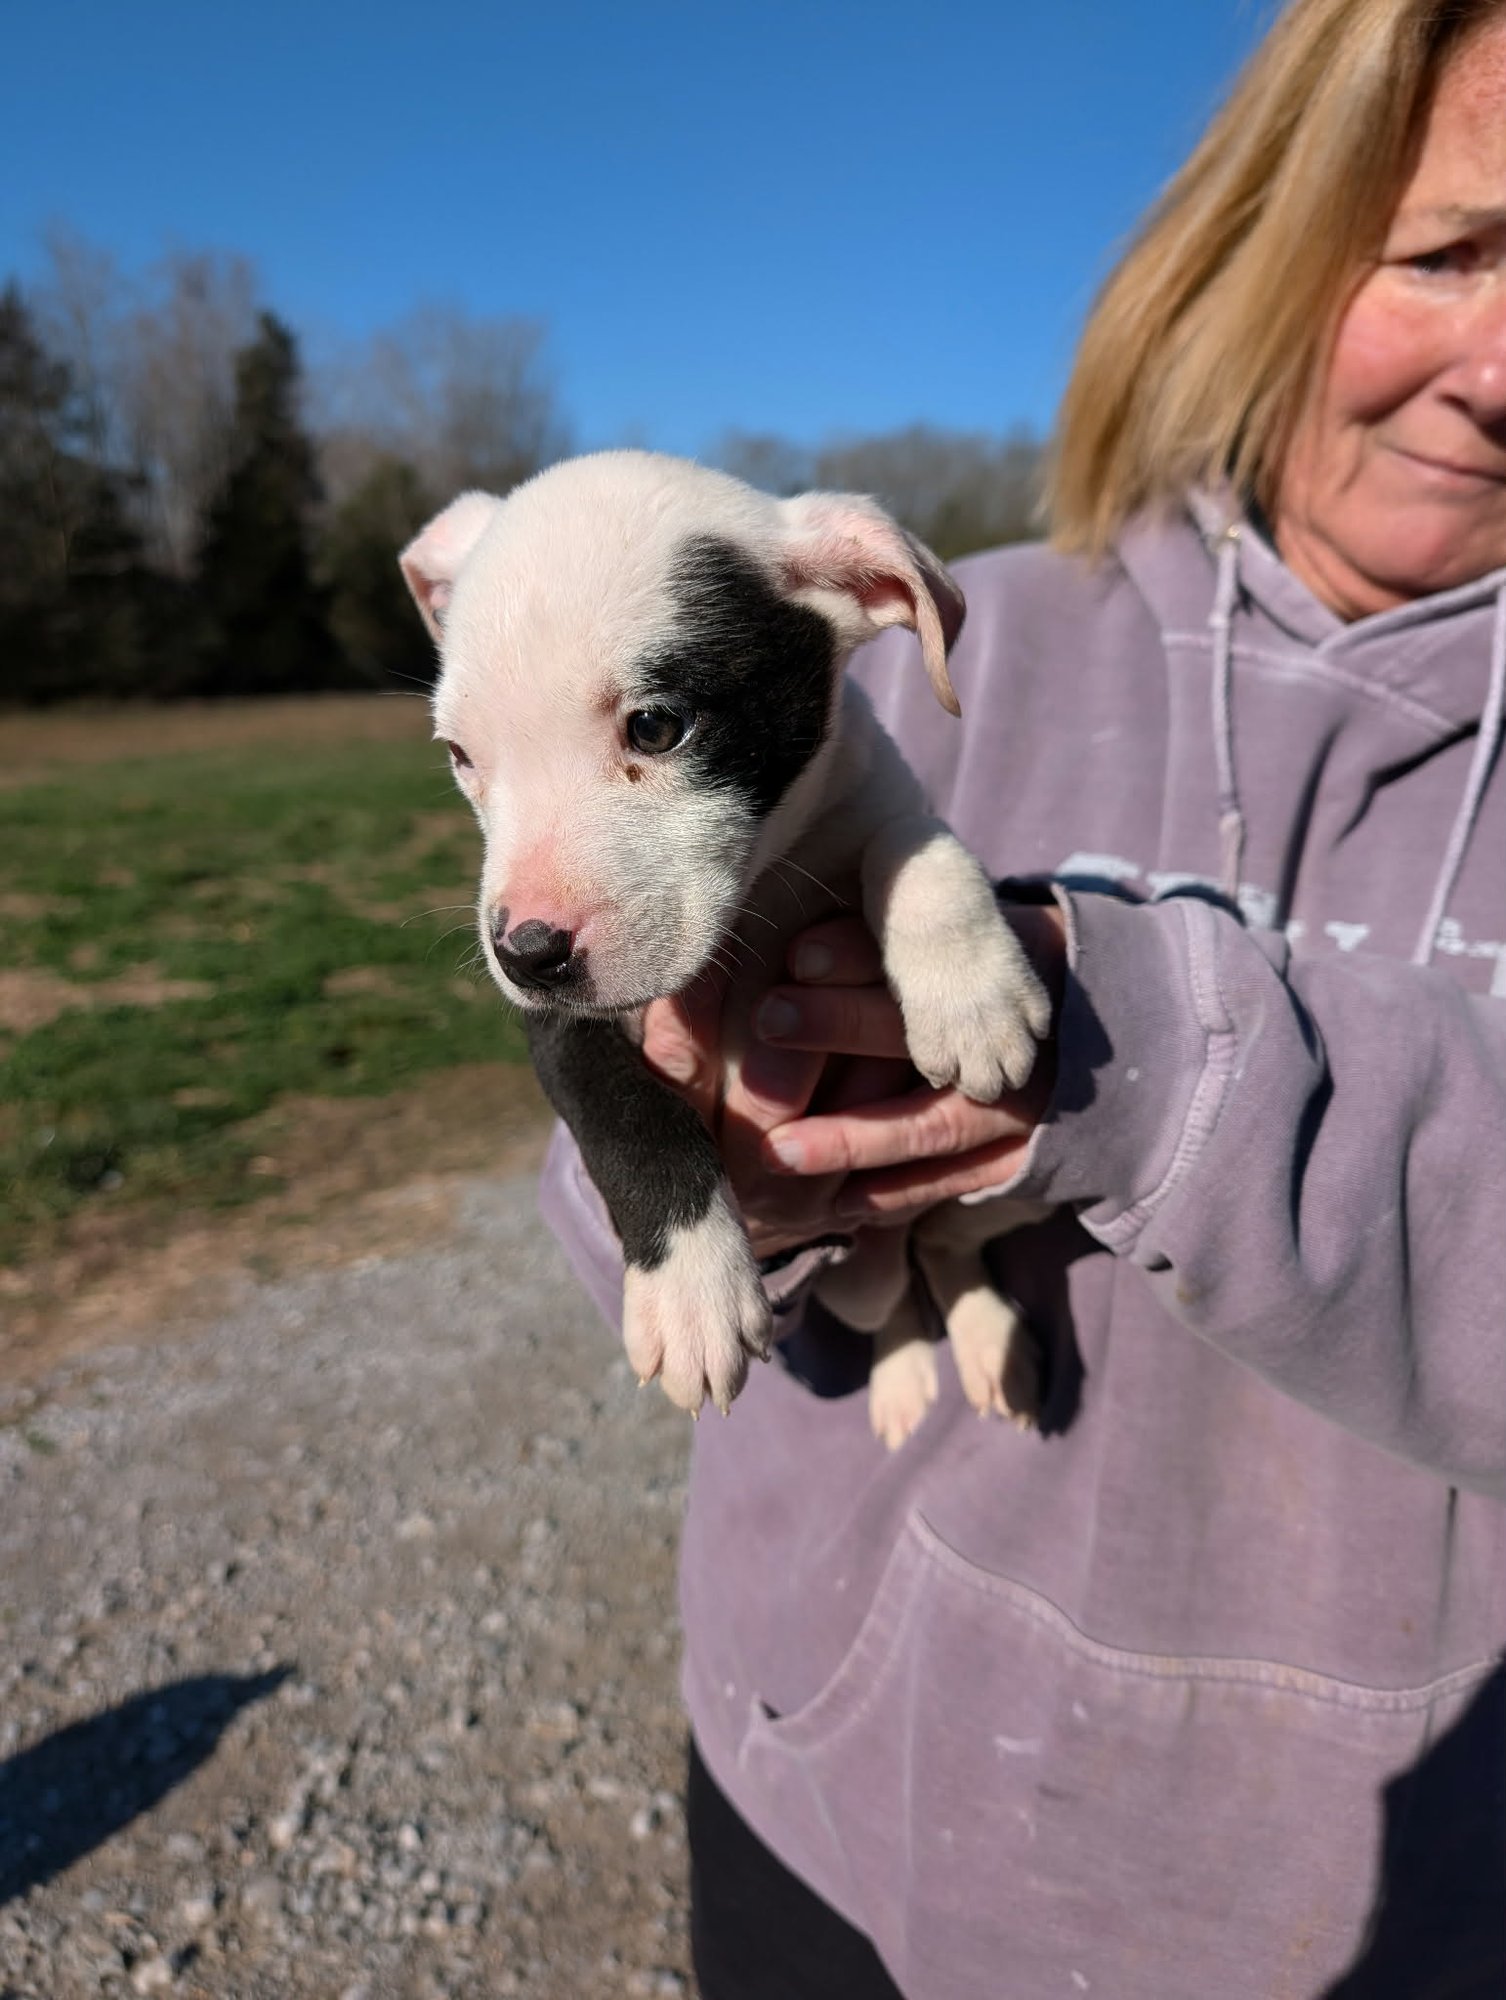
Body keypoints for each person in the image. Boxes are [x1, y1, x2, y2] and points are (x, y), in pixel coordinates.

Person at [541, 0, 1506, 1991]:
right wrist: (709, 1167)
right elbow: (617, 1181)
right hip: (833, 1806)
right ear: (1272, 233)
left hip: (1382, 1903)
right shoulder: (943, 639)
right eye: (1448, 255)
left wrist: (1153, 1060)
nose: (1501, 369)